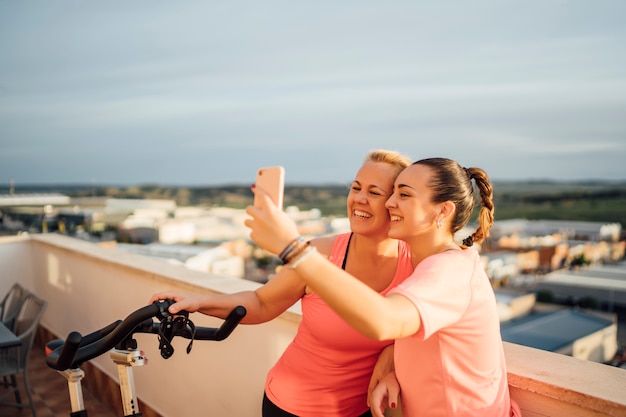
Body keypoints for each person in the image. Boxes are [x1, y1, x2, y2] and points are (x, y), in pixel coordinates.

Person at [245, 157, 522, 417]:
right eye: (391, 194)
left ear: (443, 210)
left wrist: (294, 249)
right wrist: (392, 357)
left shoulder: (448, 271)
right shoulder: (429, 265)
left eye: (404, 194)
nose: (390, 203)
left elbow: (384, 321)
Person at [149, 149, 414, 417]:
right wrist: (198, 302)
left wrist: (393, 351)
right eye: (356, 188)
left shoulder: (416, 263)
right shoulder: (317, 255)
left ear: (396, 202)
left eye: (374, 192)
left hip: (360, 410)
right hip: (292, 407)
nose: (359, 198)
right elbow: (262, 303)